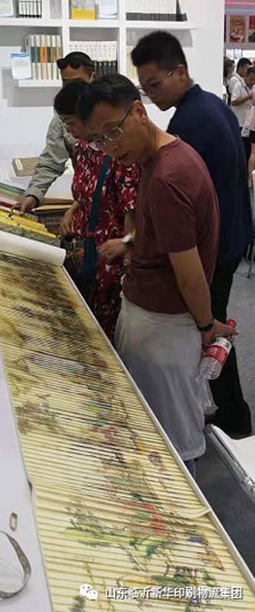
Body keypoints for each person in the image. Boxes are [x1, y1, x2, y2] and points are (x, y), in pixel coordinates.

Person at [77, 75, 237, 476]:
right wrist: (131, 243)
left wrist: (206, 326)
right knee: (156, 433)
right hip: (153, 318)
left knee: (174, 448)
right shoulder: (162, 157)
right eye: (99, 141)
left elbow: (190, 273)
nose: (110, 147)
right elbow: (160, 237)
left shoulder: (167, 176)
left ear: (138, 111)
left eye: (114, 132)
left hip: (166, 327)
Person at [130, 31, 252, 436]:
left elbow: (186, 205)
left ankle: (232, 421)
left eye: (155, 85)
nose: (151, 97)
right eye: (145, 89)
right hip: (233, 237)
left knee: (210, 332)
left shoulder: (188, 124)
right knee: (214, 328)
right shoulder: (213, 105)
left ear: (179, 72)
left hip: (214, 250)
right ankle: (231, 416)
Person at [54, 80, 139, 340]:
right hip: (88, 251)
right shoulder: (82, 149)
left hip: (111, 258)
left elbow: (132, 209)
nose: (69, 131)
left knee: (105, 336)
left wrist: (127, 245)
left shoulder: (117, 151)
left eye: (71, 123)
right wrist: (72, 210)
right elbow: (88, 191)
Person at [18, 52, 94, 214]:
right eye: (66, 83)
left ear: (93, 78)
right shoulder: (61, 118)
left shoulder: (109, 112)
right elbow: (51, 162)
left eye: (77, 83)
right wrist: (34, 194)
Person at [229, 57, 252, 160]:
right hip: (239, 122)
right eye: (251, 79)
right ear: (246, 76)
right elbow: (234, 101)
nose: (252, 82)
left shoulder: (253, 87)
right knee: (240, 149)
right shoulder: (238, 85)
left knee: (248, 150)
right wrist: (249, 96)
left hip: (248, 123)